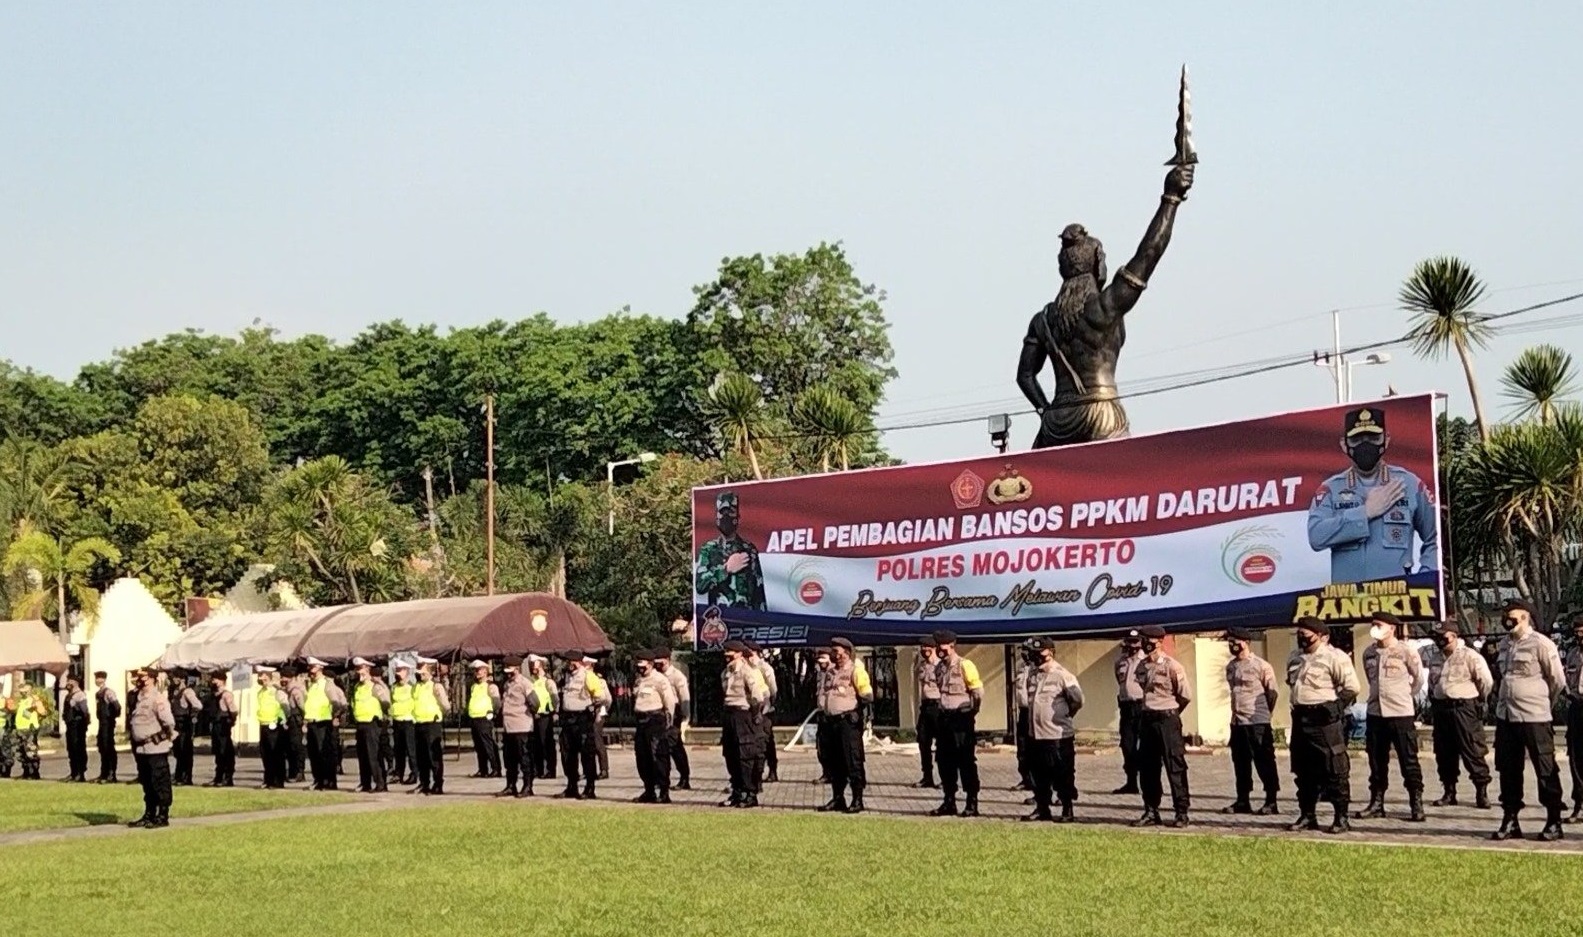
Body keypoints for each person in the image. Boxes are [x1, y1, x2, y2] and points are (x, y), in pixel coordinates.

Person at [1306, 406, 1438, 583]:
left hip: (1399, 602)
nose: (1365, 445)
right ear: (1344, 444)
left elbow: (1435, 539)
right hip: (1347, 603)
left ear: (1386, 440)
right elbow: (1316, 536)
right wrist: (1365, 512)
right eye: (1357, 439)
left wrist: (1425, 578)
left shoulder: (1409, 484)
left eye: (1374, 438)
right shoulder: (1330, 489)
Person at [1491, 599, 1565, 842]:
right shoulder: (1504, 644)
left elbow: (1557, 680)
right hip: (1507, 716)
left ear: (1524, 617)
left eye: (1510, 615)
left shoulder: (1541, 644)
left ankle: (1554, 820)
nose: (1506, 619)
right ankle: (1511, 819)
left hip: (1534, 716)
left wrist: (1542, 702)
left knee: (1545, 768)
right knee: (1508, 769)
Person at [1286, 616, 1360, 834]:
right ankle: (1307, 815)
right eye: (1300, 633)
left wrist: (1336, 708)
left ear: (1321, 636)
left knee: (1334, 769)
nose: (1302, 637)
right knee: (1303, 770)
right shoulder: (1294, 658)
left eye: (1307, 633)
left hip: (1325, 720)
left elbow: (1352, 687)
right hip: (1301, 718)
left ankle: (1341, 817)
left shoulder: (1334, 657)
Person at [1355, 612, 1426, 822]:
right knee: (1376, 761)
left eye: (1378, 624)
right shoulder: (1369, 653)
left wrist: (1403, 695)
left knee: (1409, 761)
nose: (1374, 628)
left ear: (1391, 628)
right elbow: (1370, 679)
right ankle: (1377, 803)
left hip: (1400, 713)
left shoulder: (1406, 651)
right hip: (1376, 713)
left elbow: (1418, 680)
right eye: (1373, 624)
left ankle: (1416, 803)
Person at [1422, 620, 1493, 809]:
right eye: (1436, 637)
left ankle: (1481, 791)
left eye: (1443, 636)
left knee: (1473, 750)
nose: (1439, 641)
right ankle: (1449, 791)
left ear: (1454, 636)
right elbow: (1432, 682)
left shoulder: (1469, 655)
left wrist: (1477, 701)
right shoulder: (1436, 658)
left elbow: (1485, 682)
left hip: (1464, 708)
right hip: (1442, 709)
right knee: (1444, 752)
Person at [1131, 625, 1192, 827]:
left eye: (1147, 639)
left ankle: (1181, 812)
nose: (1144, 643)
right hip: (1148, 719)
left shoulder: (1173, 666)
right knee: (1147, 767)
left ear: (1158, 641)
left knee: (1175, 766)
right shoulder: (1141, 666)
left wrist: (1170, 712)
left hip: (1167, 719)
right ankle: (1151, 810)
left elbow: (1184, 696)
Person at [1021, 638, 1085, 823]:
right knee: (1038, 774)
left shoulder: (1063, 675)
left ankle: (1067, 809)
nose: (1036, 656)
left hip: (1057, 734)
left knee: (1061, 773)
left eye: (1040, 652)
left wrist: (1064, 717)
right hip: (1036, 734)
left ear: (1050, 652)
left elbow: (1077, 700)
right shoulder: (1033, 674)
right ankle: (1042, 808)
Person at [1222, 627, 1281, 815]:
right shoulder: (1231, 666)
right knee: (1240, 763)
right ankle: (1242, 800)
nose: (1232, 645)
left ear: (1246, 642)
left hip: (1257, 722)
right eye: (1230, 642)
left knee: (1264, 762)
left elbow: (1272, 693)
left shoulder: (1261, 666)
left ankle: (1271, 801)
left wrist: (1263, 715)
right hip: (1238, 722)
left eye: (1235, 641)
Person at [930, 630, 984, 818]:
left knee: (965, 761)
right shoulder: (939, 668)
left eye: (942, 647)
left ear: (952, 645)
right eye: (937, 646)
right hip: (945, 719)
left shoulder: (965, 665)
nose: (939, 650)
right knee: (945, 761)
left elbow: (977, 692)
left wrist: (972, 711)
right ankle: (949, 801)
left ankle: (971, 802)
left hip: (961, 720)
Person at [817, 637, 874, 814]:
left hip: (847, 723)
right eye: (833, 651)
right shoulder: (830, 672)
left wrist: (858, 715)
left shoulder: (856, 671)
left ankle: (857, 799)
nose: (834, 655)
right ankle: (837, 798)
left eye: (837, 652)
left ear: (846, 653)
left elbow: (867, 695)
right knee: (834, 762)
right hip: (830, 722)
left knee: (852, 761)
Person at [693, 491, 767, 610]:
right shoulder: (708, 549)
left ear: (737, 516)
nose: (726, 516)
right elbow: (700, 586)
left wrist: (763, 622)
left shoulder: (749, 549)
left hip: (746, 619)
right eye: (722, 512)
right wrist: (726, 570)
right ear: (717, 516)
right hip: (720, 620)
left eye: (730, 512)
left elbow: (759, 594)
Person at [719, 639, 769, 808]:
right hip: (729, 714)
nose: (727, 655)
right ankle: (737, 792)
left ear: (739, 654)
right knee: (730, 754)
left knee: (746, 755)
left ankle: (750, 793)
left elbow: (757, 697)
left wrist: (755, 715)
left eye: (730, 652)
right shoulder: (726, 672)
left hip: (744, 714)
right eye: (725, 652)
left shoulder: (749, 672)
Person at [557, 649, 611, 800]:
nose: (569, 664)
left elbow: (601, 697)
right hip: (568, 719)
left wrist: (594, 709)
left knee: (587, 755)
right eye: (568, 662)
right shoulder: (568, 677)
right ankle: (571, 786)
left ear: (580, 662)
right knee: (568, 755)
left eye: (572, 662)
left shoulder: (589, 676)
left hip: (582, 719)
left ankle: (589, 788)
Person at [127, 668, 176, 828]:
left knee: (159, 782)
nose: (138, 680)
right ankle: (149, 814)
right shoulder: (139, 698)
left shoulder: (158, 699)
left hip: (155, 748)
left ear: (151, 678)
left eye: (142, 677)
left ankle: (162, 815)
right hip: (142, 749)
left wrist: (162, 737)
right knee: (147, 783)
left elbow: (168, 722)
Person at [631, 649, 678, 804]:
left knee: (658, 756)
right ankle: (649, 790)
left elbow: (669, 701)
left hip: (655, 720)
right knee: (642, 757)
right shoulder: (639, 680)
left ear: (651, 665)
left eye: (643, 667)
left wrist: (668, 719)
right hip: (641, 721)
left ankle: (663, 791)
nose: (641, 669)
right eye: (639, 667)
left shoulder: (660, 680)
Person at [298, 657, 347, 791]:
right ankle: (318, 780)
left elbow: (336, 702)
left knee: (324, 753)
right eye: (309, 668)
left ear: (320, 668)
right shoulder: (313, 685)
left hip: (323, 723)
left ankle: (328, 781)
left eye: (312, 668)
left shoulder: (327, 684)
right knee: (314, 754)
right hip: (312, 722)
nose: (310, 671)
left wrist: (335, 716)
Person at [349, 658, 390, 793]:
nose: (358, 672)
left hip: (372, 724)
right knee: (363, 756)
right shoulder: (357, 687)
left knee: (374, 755)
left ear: (367, 669)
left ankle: (380, 783)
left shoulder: (375, 686)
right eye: (356, 669)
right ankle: (365, 783)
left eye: (360, 669)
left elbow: (386, 702)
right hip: (361, 723)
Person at [498, 656, 537, 798]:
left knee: (524, 758)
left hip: (522, 726)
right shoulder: (507, 684)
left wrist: (528, 715)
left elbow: (535, 702)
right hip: (508, 726)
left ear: (517, 668)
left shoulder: (525, 683)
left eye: (510, 669)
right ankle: (511, 785)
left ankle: (527, 786)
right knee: (509, 759)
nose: (507, 672)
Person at [1112, 631, 1145, 794]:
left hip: (1142, 706)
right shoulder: (1120, 662)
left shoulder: (1146, 660)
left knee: (1145, 747)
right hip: (1126, 707)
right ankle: (1131, 782)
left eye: (1135, 642)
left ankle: (1147, 782)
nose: (1132, 646)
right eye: (1129, 642)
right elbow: (1119, 681)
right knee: (1127, 745)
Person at [654, 647, 690, 790]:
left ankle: (684, 778)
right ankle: (662, 778)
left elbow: (684, 697)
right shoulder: (656, 675)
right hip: (660, 713)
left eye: (660, 663)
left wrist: (685, 719)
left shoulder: (677, 676)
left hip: (674, 713)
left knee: (675, 748)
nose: (658, 666)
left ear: (668, 660)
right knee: (660, 748)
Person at [412, 657, 449, 795]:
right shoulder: (416, 687)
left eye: (424, 673)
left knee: (433, 757)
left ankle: (438, 783)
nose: (421, 676)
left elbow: (446, 706)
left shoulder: (436, 686)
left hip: (432, 725)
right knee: (421, 757)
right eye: (420, 673)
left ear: (430, 673)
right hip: (419, 723)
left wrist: (437, 713)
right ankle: (424, 783)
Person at [746, 642, 780, 783]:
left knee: (766, 742)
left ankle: (772, 770)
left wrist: (769, 703)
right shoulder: (746, 668)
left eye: (751, 654)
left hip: (765, 710)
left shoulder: (765, 668)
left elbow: (773, 689)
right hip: (750, 710)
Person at [464, 660, 502, 779]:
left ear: (485, 671)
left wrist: (492, 714)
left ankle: (495, 768)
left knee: (488, 745)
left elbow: (496, 702)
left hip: (484, 718)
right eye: (475, 671)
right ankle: (483, 769)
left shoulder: (491, 686)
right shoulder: (474, 686)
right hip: (474, 718)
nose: (477, 673)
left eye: (479, 670)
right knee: (479, 746)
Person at [254, 666, 290, 789]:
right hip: (263, 724)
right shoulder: (261, 692)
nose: (260, 678)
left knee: (276, 754)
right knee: (266, 754)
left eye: (263, 675)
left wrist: (284, 720)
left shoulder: (277, 691)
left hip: (274, 725)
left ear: (269, 676)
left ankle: (278, 781)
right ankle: (268, 780)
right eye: (259, 675)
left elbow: (286, 707)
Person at [914, 635, 941, 789]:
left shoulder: (941, 665)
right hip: (925, 707)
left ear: (934, 648)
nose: (924, 650)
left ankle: (946, 778)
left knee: (942, 745)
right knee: (923, 742)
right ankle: (927, 777)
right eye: (922, 648)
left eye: (927, 648)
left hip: (938, 706)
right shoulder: (922, 665)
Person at [527, 655, 558, 781]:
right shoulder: (531, 681)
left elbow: (555, 699)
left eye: (535, 665)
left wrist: (554, 712)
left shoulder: (548, 682)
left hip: (545, 715)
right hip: (534, 715)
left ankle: (550, 770)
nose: (532, 667)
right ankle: (538, 769)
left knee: (546, 743)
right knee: (535, 744)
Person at [1565, 615, 1583, 823]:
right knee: (1576, 759)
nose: (1579, 635)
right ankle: (1579, 803)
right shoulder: (1572, 655)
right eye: (1576, 631)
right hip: (1577, 707)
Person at [9, 681, 46, 780]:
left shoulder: (34, 700)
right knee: (21, 752)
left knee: (31, 751)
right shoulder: (22, 701)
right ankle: (26, 772)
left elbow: (43, 712)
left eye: (24, 690)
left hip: (29, 729)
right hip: (20, 728)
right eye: (21, 690)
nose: (22, 692)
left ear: (29, 690)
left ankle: (33, 773)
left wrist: (36, 707)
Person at [206, 671, 237, 787]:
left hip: (223, 725)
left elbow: (233, 710)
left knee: (225, 751)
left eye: (215, 679)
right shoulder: (212, 695)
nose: (213, 682)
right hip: (215, 725)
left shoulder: (226, 695)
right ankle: (218, 777)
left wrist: (231, 721)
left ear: (222, 681)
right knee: (218, 752)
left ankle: (227, 777)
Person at [1012, 640, 1036, 792]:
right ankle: (1026, 779)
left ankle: (1037, 782)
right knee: (1022, 748)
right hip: (1023, 711)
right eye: (1023, 650)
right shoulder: (1021, 667)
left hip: (1035, 712)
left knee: (1035, 749)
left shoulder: (1039, 668)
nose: (1024, 653)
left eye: (1027, 650)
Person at [169, 673, 201, 786]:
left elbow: (198, 705)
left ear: (182, 679)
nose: (173, 679)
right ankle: (178, 775)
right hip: (176, 724)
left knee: (185, 750)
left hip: (184, 724)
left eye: (176, 677)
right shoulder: (174, 691)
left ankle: (186, 777)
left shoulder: (187, 692)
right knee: (177, 751)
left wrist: (192, 716)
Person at [388, 661, 417, 785]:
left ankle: (414, 773)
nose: (398, 674)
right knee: (398, 750)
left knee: (411, 750)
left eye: (400, 671)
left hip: (409, 721)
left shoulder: (412, 687)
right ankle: (398, 774)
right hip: (397, 721)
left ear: (407, 672)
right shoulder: (394, 687)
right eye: (396, 671)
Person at [280, 666, 307, 783]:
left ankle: (299, 772)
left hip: (297, 721)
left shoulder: (295, 691)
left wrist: (305, 722)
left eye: (285, 677)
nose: (282, 679)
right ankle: (292, 771)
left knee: (297, 747)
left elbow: (302, 707)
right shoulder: (288, 690)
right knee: (290, 747)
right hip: (291, 721)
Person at [92, 671, 121, 783]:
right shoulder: (98, 693)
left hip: (108, 723)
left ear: (103, 679)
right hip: (102, 722)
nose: (97, 680)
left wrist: (111, 717)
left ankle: (111, 773)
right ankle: (103, 773)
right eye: (96, 678)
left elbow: (116, 706)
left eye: (99, 678)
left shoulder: (108, 692)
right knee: (102, 747)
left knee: (108, 747)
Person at [62, 677, 90, 782]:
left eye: (70, 681)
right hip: (70, 725)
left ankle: (80, 773)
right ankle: (73, 772)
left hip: (78, 726)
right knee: (71, 749)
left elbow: (85, 712)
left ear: (76, 683)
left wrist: (84, 724)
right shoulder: (68, 696)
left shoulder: (80, 695)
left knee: (78, 748)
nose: (68, 683)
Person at [587, 655, 611, 781]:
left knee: (597, 741)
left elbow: (607, 699)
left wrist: (601, 712)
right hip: (587, 714)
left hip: (598, 713)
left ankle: (603, 769)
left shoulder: (599, 681)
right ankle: (589, 770)